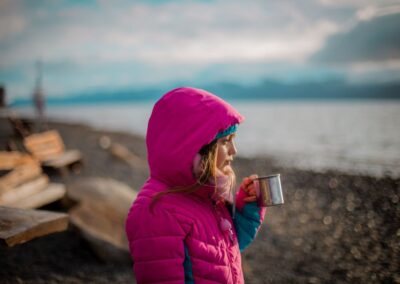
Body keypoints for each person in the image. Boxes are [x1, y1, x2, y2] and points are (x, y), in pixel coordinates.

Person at [125, 87, 266, 283]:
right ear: (195, 147)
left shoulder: (206, 194)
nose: (234, 150)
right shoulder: (157, 210)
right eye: (225, 141)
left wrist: (248, 207)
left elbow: (226, 249)